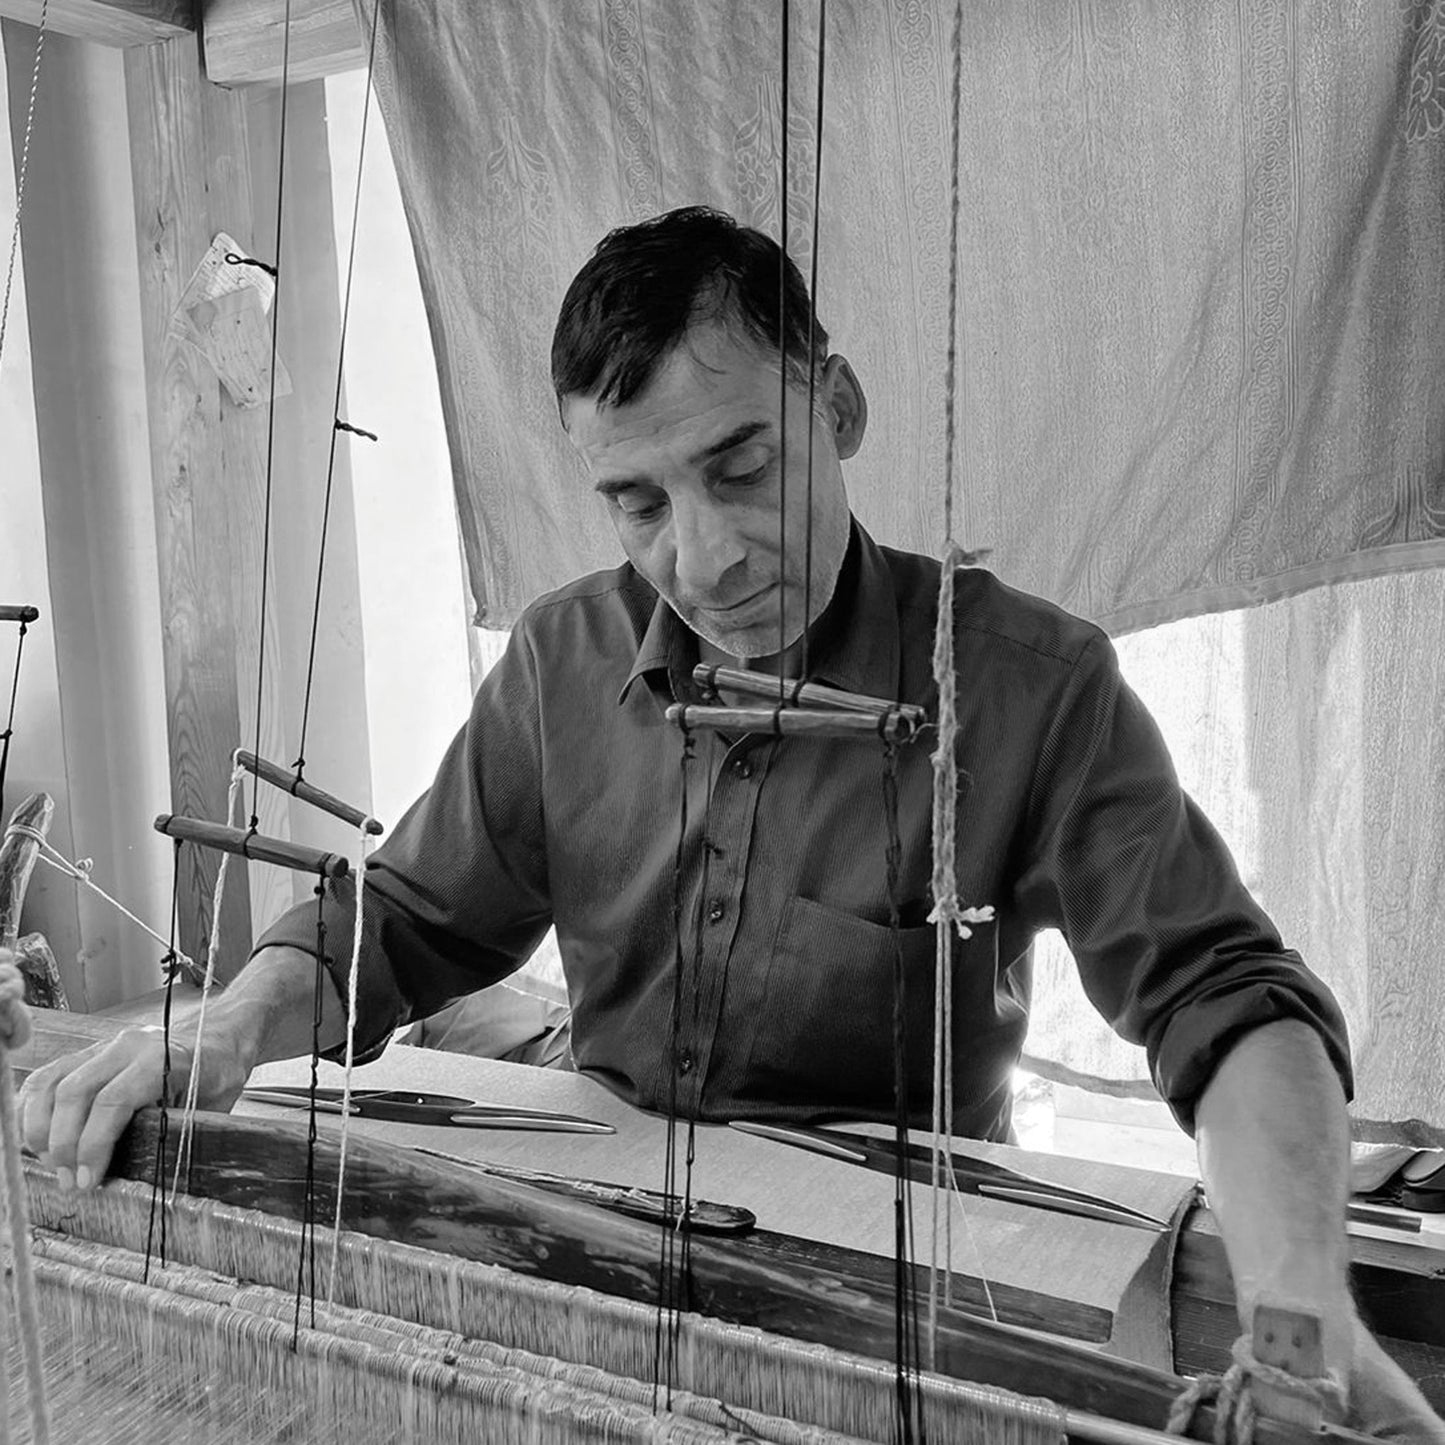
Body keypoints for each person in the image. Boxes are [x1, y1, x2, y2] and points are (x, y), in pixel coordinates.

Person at [16, 207, 1445, 1439]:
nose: (698, 556)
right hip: (592, 1272)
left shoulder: (1024, 684)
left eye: (742, 468)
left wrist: (1300, 1304)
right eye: (637, 502)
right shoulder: (567, 661)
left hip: (893, 1329)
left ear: (839, 407)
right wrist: (226, 1019)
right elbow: (408, 918)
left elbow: (1221, 996)